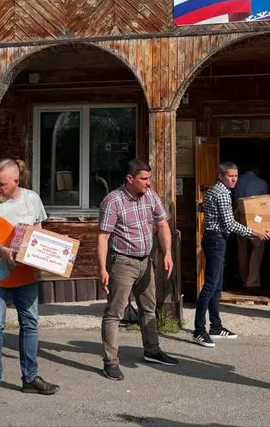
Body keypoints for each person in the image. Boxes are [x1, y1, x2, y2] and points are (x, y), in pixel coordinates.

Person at [0, 158, 59, 405]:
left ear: (16, 181)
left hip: (25, 274)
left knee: (30, 324)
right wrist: (3, 251)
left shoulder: (32, 199)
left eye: (2, 184)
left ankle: (30, 378)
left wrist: (43, 254)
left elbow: (39, 233)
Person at [98, 159, 178, 380]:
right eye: (144, 179)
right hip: (122, 262)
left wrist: (167, 253)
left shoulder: (150, 196)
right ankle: (110, 361)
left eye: (149, 178)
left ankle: (152, 350)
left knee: (148, 308)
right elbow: (103, 237)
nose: (148, 183)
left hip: (146, 261)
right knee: (115, 313)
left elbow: (162, 224)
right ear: (130, 179)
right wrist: (102, 268)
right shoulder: (113, 201)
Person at [194, 162, 270, 348]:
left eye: (236, 176)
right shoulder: (222, 193)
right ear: (220, 176)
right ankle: (199, 330)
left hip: (214, 239)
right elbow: (229, 224)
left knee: (217, 286)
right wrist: (254, 232)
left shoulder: (214, 191)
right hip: (216, 240)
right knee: (210, 285)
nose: (234, 179)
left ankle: (215, 326)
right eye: (230, 176)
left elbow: (205, 208)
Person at [234, 165, 270, 293]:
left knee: (242, 248)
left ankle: (244, 279)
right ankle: (252, 282)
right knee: (258, 247)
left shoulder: (237, 180)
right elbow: (263, 203)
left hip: (238, 214)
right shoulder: (261, 182)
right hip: (255, 216)